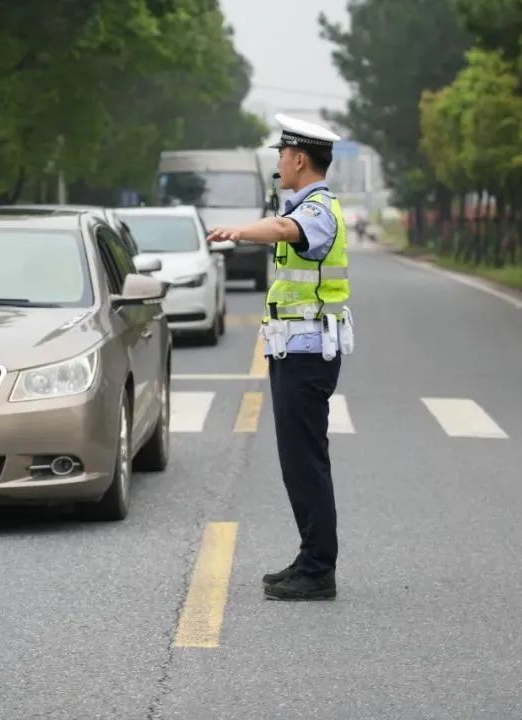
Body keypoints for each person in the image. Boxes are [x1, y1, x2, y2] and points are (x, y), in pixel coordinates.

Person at [206, 114, 352, 601]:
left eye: (281, 155)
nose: (278, 163)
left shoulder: (317, 209)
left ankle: (317, 569)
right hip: (297, 350)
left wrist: (239, 231)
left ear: (299, 159)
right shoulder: (306, 201)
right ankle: (310, 558)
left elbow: (287, 229)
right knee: (300, 460)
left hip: (309, 354)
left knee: (305, 461)